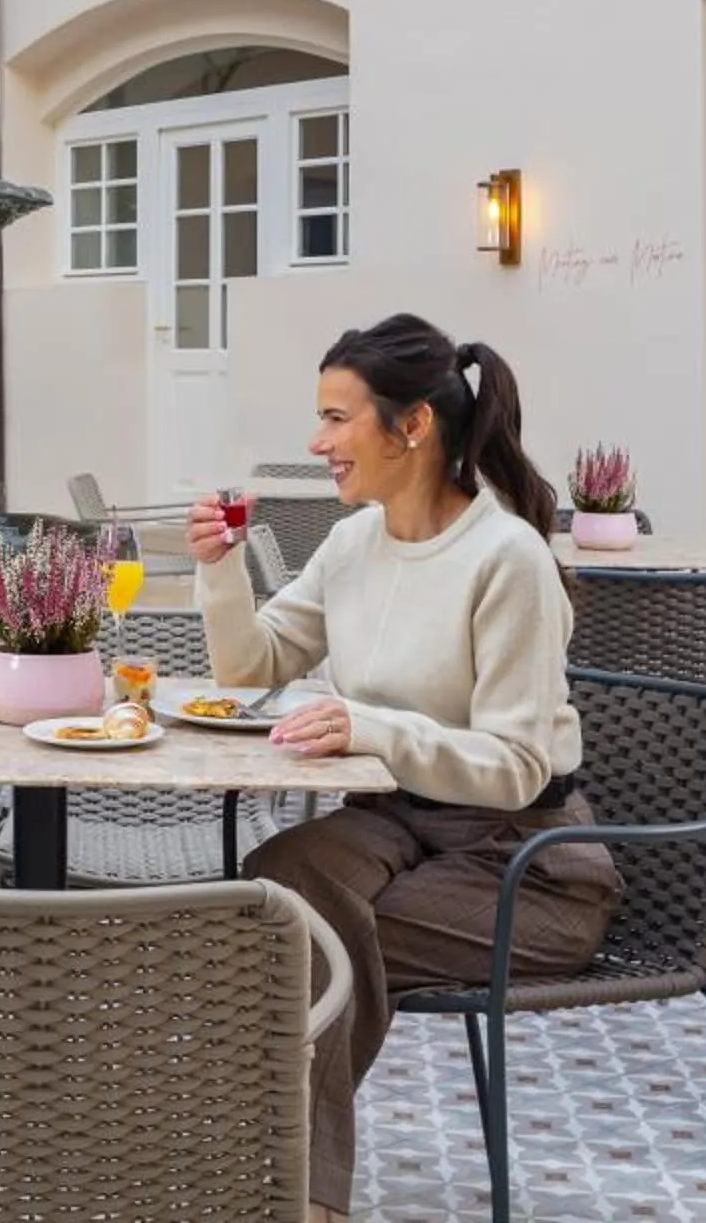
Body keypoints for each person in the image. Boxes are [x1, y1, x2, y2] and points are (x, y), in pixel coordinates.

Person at [189, 312, 621, 1223]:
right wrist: (220, 572)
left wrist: (372, 728)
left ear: (412, 424)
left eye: (336, 418)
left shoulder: (508, 559)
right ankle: (256, 1179)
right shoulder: (354, 543)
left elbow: (516, 765)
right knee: (271, 896)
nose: (318, 442)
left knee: (302, 947)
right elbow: (251, 666)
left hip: (525, 861)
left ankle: (292, 1199)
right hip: (398, 824)